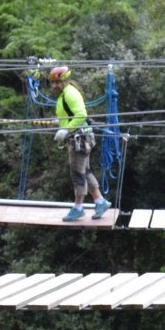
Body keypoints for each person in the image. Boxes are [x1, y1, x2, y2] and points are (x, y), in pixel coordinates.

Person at [48, 66, 109, 222]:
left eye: (57, 82)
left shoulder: (70, 93)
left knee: (77, 173)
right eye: (53, 82)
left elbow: (81, 114)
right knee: (85, 171)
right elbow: (71, 113)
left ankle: (78, 208)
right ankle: (100, 201)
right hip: (81, 136)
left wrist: (66, 129)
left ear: (65, 80)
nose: (55, 85)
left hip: (79, 139)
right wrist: (61, 122)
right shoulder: (65, 93)